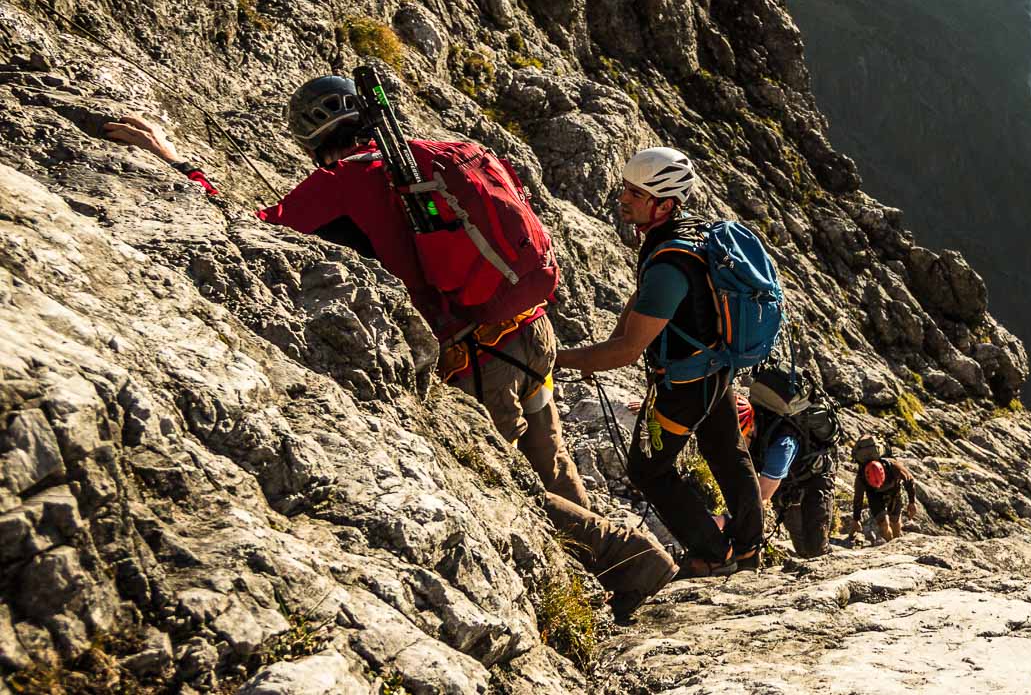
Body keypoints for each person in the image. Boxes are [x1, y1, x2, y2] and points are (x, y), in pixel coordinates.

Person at [107, 80, 678, 617]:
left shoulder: (336, 183)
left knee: (504, 486)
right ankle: (617, 568)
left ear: (312, 141)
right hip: (531, 330)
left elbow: (247, 230)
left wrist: (172, 157)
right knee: (548, 456)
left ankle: (628, 556)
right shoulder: (444, 154)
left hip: (477, 360)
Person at [555, 146, 763, 577]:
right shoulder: (685, 236)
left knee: (647, 470)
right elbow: (643, 297)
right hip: (716, 369)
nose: (623, 198)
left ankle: (714, 552)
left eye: (636, 193)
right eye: (626, 188)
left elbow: (630, 349)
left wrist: (564, 359)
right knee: (726, 451)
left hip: (685, 386)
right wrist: (609, 340)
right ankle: (748, 549)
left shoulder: (669, 262)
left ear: (664, 204)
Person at [742, 371, 836, 558]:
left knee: (815, 548)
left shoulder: (782, 444)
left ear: (751, 428)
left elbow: (760, 498)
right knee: (800, 545)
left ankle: (827, 559)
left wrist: (725, 520)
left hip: (815, 476)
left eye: (740, 437)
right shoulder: (754, 428)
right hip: (787, 483)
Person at [848, 436, 917, 544]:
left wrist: (912, 502)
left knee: (895, 521)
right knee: (883, 524)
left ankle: (897, 541)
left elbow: (909, 480)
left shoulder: (893, 466)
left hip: (894, 491)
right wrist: (856, 520)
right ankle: (891, 545)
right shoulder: (861, 478)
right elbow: (858, 499)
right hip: (874, 495)